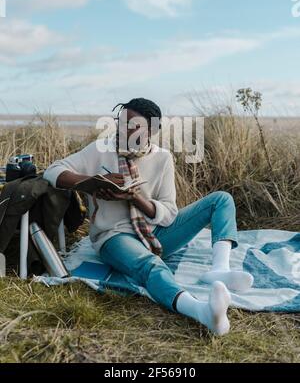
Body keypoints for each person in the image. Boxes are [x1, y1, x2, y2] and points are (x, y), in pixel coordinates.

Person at [43, 97, 253, 336]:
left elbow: (168, 214)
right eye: (121, 122)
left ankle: (219, 269)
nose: (124, 130)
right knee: (152, 265)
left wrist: (135, 198)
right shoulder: (99, 149)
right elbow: (52, 171)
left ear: (151, 130)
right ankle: (202, 312)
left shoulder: (162, 158)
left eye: (133, 126)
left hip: (154, 231)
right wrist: (89, 184)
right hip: (114, 236)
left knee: (221, 199)